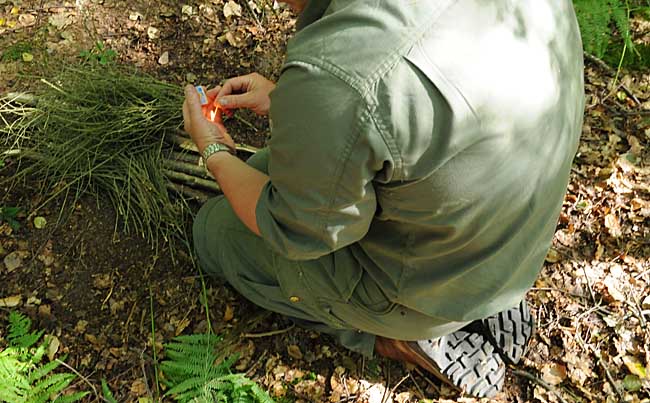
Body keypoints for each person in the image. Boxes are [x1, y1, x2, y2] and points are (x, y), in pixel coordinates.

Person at [182, 0, 585, 398]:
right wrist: (295, 102)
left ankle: (392, 335)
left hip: (426, 288)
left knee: (216, 231)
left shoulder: (342, 65)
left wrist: (215, 152)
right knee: (270, 167)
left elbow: (294, 231)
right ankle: (478, 296)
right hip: (512, 238)